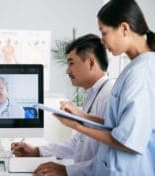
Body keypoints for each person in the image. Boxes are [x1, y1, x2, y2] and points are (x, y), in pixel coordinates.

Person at [53, 0, 155, 175]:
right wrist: (81, 116)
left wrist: (78, 126)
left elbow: (127, 140)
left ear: (124, 28)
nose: (102, 41)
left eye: (104, 32)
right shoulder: (134, 67)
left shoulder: (142, 72)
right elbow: (118, 125)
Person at [12, 34, 114, 176]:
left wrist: (67, 170)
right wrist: (36, 151)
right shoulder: (93, 94)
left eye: (71, 63)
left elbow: (110, 159)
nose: (67, 70)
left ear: (90, 62)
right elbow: (77, 144)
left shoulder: (109, 96)